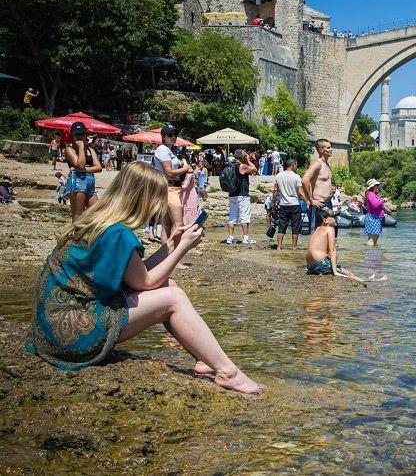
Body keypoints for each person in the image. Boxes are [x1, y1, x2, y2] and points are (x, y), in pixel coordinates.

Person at [26, 162, 262, 394]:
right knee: (173, 298)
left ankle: (205, 359)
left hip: (51, 328)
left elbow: (134, 276)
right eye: (158, 198)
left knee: (170, 285)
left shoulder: (98, 221)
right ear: (142, 198)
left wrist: (171, 245)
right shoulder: (118, 233)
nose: (162, 205)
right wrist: (183, 249)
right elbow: (145, 282)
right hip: (71, 335)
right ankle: (228, 372)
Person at [306, 209, 379, 283]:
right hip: (321, 264)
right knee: (348, 273)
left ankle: (365, 279)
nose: (336, 218)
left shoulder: (317, 229)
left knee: (335, 264)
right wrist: (335, 272)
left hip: (311, 266)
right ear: (325, 220)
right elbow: (332, 250)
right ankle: (364, 281)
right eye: (333, 217)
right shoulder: (329, 229)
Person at [153, 125, 191, 263]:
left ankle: (165, 256)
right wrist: (185, 168)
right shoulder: (163, 150)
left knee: (166, 225)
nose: (174, 137)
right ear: (163, 136)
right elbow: (169, 172)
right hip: (169, 189)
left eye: (175, 135)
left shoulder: (168, 150)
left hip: (168, 188)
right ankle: (174, 258)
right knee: (179, 224)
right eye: (170, 135)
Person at [64, 121, 102, 221]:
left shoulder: (90, 150)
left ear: (86, 135)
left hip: (89, 182)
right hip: (77, 182)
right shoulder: (69, 149)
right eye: (76, 134)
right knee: (78, 216)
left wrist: (84, 170)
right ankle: (74, 236)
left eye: (82, 134)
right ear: (72, 135)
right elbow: (80, 164)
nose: (79, 137)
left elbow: (99, 168)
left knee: (97, 213)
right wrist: (81, 147)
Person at [273, 158, 306, 251]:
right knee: (295, 226)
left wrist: (273, 202)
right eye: (296, 165)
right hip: (295, 204)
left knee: (282, 226)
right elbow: (300, 192)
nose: (296, 167)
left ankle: (279, 247)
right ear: (293, 165)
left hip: (283, 204)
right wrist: (307, 201)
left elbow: (275, 191)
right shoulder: (296, 177)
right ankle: (294, 247)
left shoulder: (278, 176)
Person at [226, 149, 257, 244]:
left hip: (232, 194)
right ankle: (246, 237)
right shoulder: (242, 166)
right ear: (243, 157)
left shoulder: (230, 165)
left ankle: (230, 237)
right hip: (242, 195)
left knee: (232, 216)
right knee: (245, 217)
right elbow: (254, 169)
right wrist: (248, 160)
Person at [302, 139, 333, 233]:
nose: (331, 149)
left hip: (327, 203)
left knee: (329, 232)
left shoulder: (327, 164)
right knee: (317, 234)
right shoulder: (317, 164)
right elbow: (304, 180)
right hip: (318, 204)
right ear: (321, 150)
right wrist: (311, 200)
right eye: (328, 147)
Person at [364, 179, 387, 246]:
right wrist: (383, 200)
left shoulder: (374, 195)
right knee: (372, 239)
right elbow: (375, 205)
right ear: (373, 186)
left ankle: (374, 254)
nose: (378, 187)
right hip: (373, 218)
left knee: (375, 238)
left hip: (375, 218)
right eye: (377, 185)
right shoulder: (371, 194)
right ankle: (370, 255)